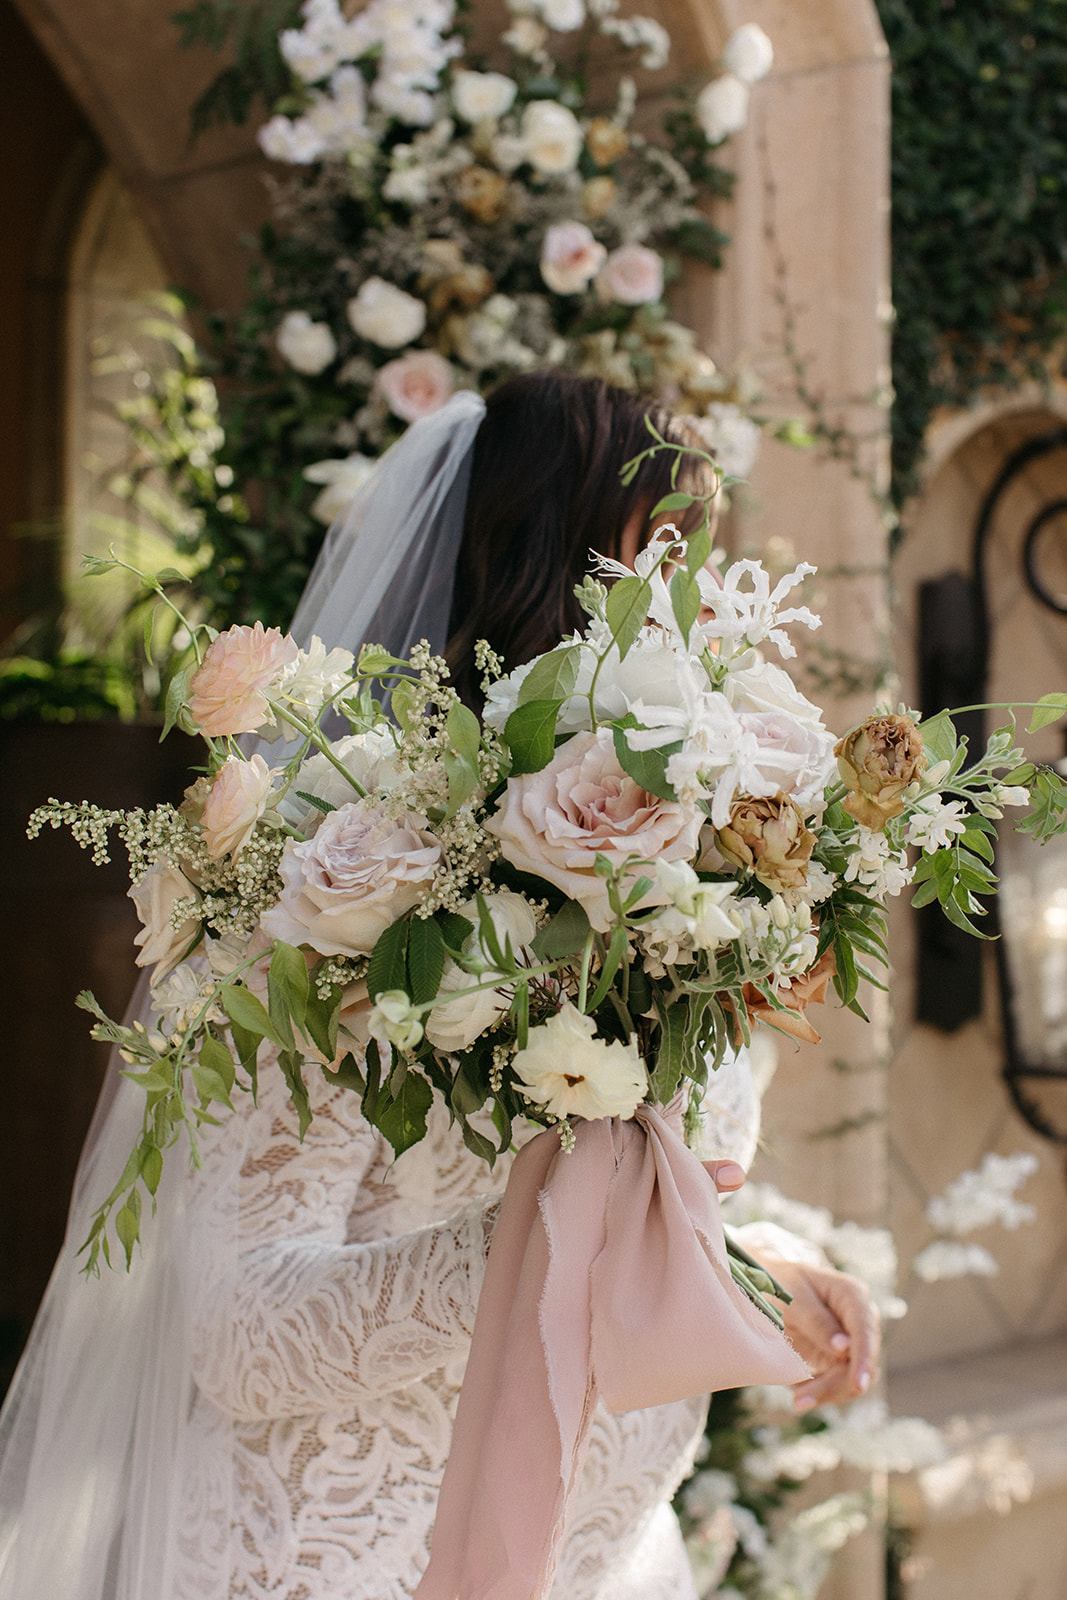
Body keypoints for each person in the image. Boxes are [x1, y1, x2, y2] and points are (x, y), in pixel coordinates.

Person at [0, 373, 879, 1600]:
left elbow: (645, 1207)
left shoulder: (712, 876)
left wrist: (755, 1267)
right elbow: (241, 1336)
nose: (698, 609)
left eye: (700, 560)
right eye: (658, 559)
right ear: (553, 568)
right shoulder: (335, 885)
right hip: (341, 1557)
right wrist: (539, 1245)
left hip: (603, 1561)